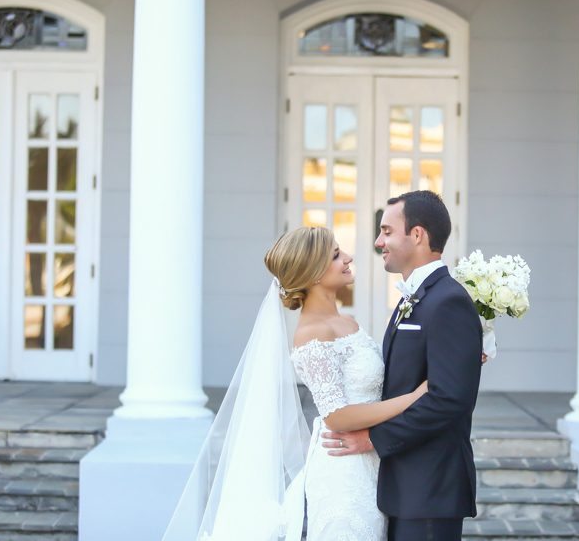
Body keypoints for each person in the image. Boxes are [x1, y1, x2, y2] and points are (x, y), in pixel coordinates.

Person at [160, 225, 428, 541]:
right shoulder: (312, 332)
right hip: (344, 473)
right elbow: (336, 416)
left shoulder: (346, 322)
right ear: (313, 273)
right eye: (336, 255)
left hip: (371, 464)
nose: (348, 257)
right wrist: (416, 396)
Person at [322, 191, 483, 541]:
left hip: (430, 488)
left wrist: (373, 439)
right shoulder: (414, 299)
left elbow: (448, 399)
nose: (379, 241)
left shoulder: (448, 300)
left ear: (418, 235)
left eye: (386, 231)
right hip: (405, 486)